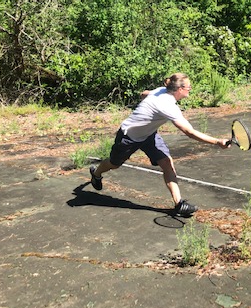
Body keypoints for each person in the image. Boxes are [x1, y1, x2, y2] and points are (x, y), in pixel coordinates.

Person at [89, 73, 230, 217]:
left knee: (167, 163)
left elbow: (144, 93)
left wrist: (146, 99)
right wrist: (217, 142)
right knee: (114, 164)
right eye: (188, 87)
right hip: (129, 136)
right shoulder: (167, 105)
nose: (191, 89)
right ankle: (96, 174)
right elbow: (189, 132)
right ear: (180, 89)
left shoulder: (160, 91)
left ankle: (179, 204)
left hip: (149, 134)